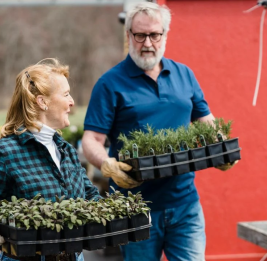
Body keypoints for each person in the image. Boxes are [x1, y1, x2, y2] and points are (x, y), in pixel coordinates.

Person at [82, 2, 237, 261]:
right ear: (129, 35)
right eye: (140, 35)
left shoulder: (184, 75)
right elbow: (91, 140)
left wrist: (220, 149)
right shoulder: (109, 83)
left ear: (165, 34)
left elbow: (206, 122)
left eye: (155, 34)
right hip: (134, 209)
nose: (147, 43)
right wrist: (107, 164)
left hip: (184, 203)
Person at [0, 58, 100, 261]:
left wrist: (131, 214)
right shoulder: (4, 153)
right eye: (65, 94)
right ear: (42, 102)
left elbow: (91, 198)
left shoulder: (66, 150)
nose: (72, 101)